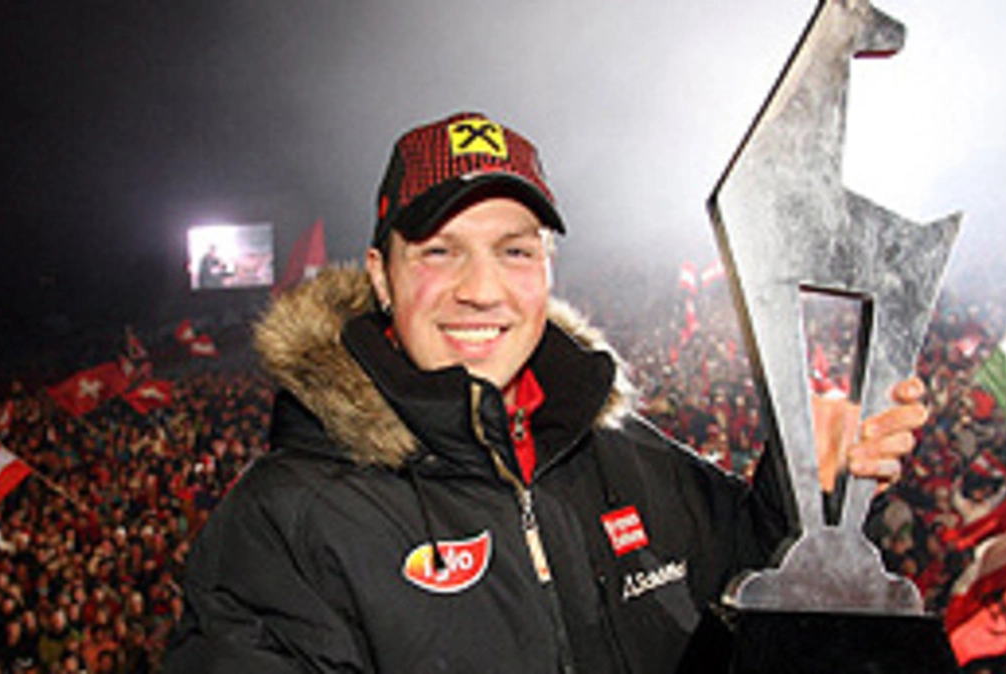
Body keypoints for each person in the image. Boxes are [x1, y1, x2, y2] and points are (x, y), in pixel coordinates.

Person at [164, 111, 928, 672]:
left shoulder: (630, 455)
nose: (482, 289)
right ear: (380, 277)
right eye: (440, 251)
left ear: (549, 268)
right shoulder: (285, 520)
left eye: (515, 251)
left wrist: (803, 487)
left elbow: (750, 579)